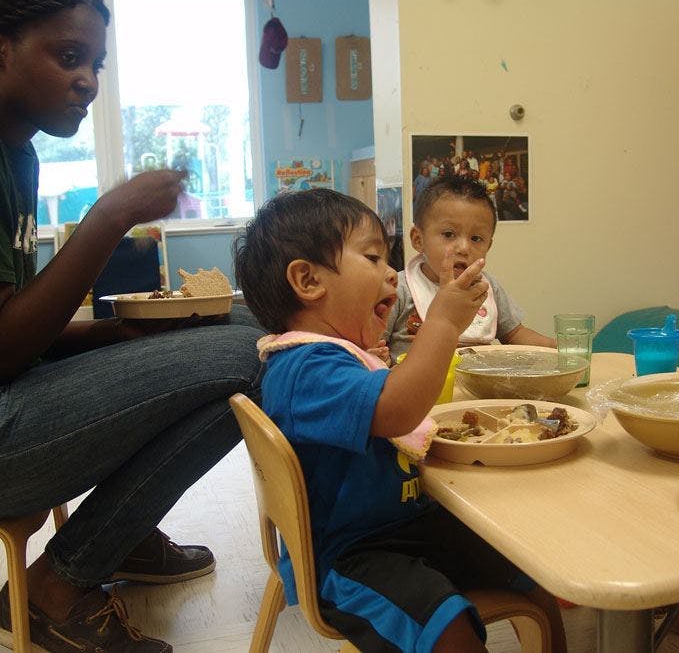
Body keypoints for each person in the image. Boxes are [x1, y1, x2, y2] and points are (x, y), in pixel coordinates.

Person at [0, 0, 265, 651]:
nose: (87, 82)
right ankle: (55, 588)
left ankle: (119, 532)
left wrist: (116, 333)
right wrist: (111, 214)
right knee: (258, 353)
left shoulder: (16, 150)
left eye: (94, 64)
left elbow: (4, 329)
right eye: (68, 57)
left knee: (234, 332)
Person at [234, 189, 566, 653]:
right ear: (308, 280)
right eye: (372, 258)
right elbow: (397, 410)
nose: (392, 272)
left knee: (528, 566)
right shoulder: (304, 369)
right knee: (448, 626)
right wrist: (443, 325)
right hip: (351, 555)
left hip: (404, 525)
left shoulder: (335, 359)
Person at [383, 175, 555, 362]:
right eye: (449, 234)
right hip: (419, 388)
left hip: (478, 388)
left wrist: (558, 347)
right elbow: (372, 344)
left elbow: (515, 334)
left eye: (476, 238)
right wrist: (375, 357)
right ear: (418, 239)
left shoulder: (486, 288)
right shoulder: (398, 288)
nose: (464, 248)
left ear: (488, 246)